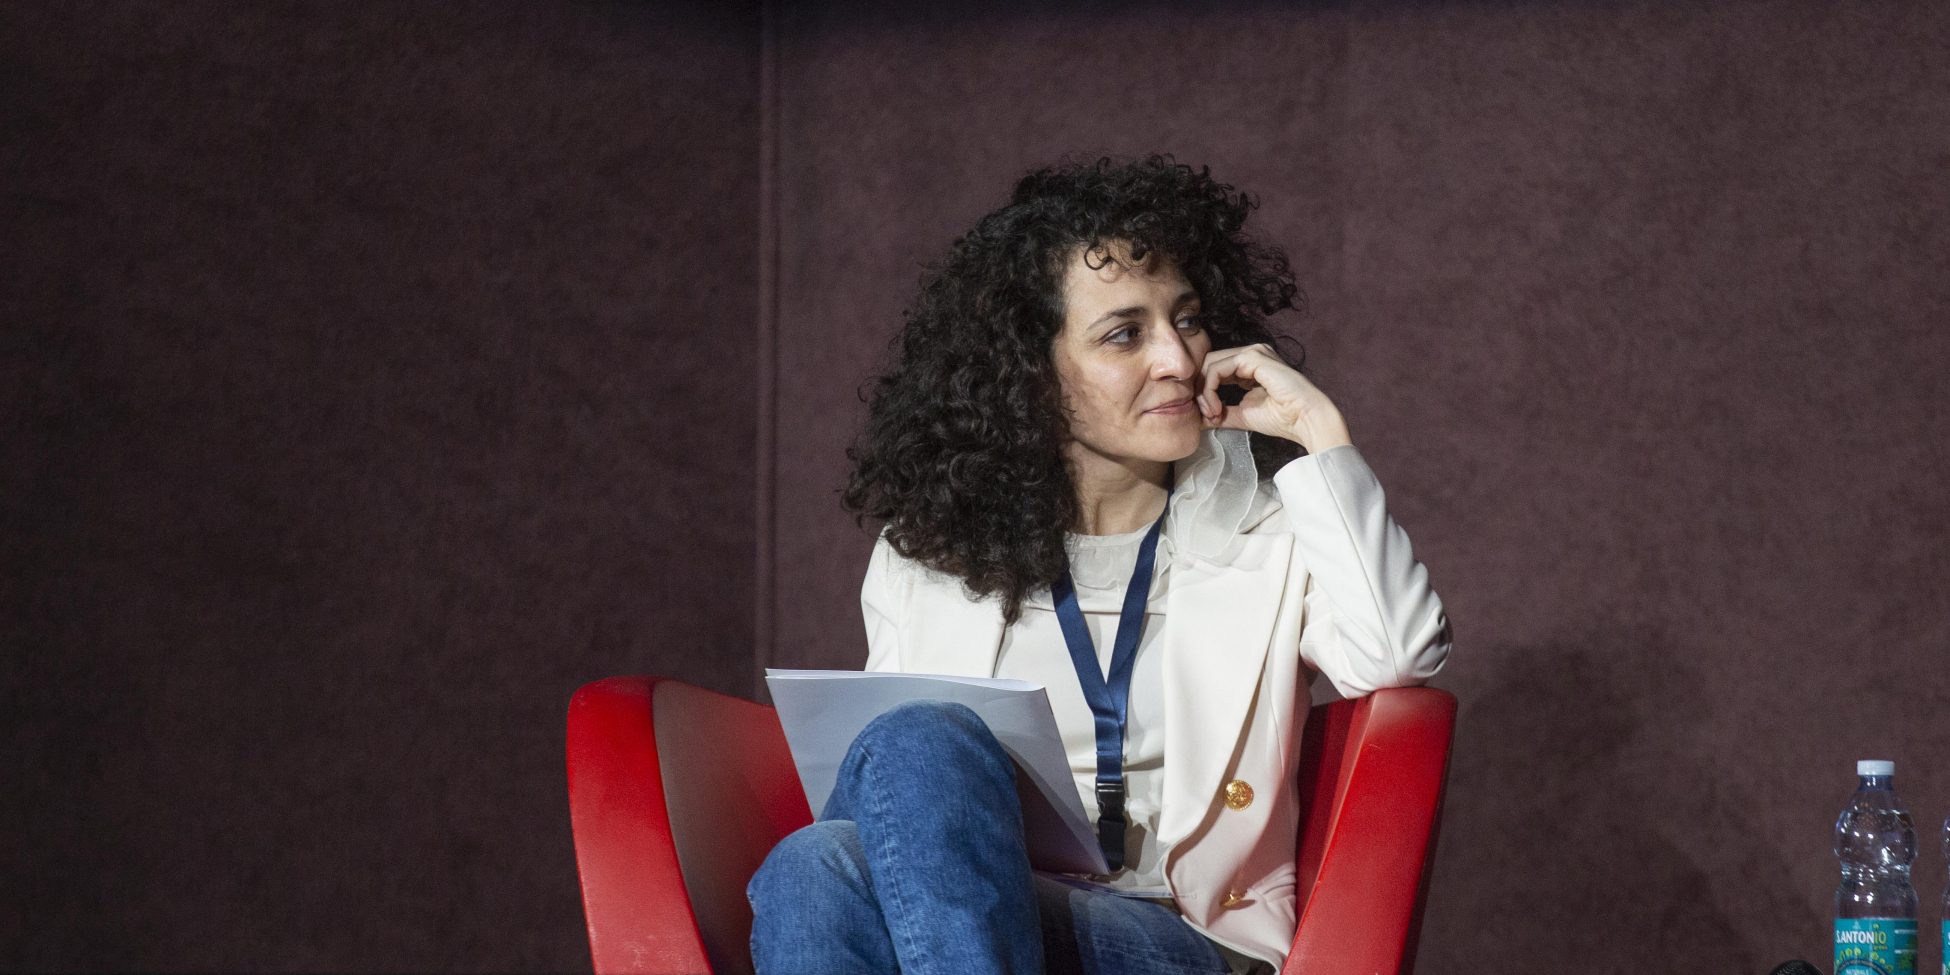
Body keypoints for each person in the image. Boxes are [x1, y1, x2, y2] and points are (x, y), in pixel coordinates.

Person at [746, 154, 1453, 975]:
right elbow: (895, 818)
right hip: (985, 910)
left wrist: (1318, 433)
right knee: (827, 850)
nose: (1179, 360)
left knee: (846, 830)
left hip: (1185, 940)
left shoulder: (1274, 529)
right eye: (1126, 334)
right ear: (1031, 374)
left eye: (1187, 319)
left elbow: (1399, 654)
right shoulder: (927, 551)